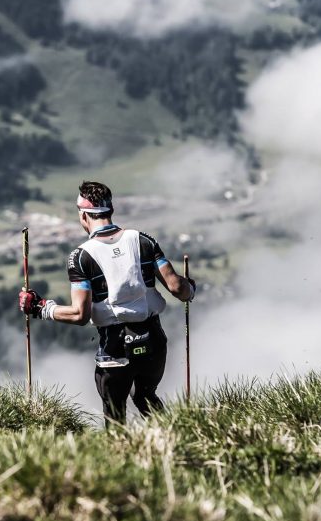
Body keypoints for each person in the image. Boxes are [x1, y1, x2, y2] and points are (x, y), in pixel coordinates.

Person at [19, 181, 196, 426]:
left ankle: (121, 457)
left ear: (83, 215)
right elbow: (178, 288)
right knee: (146, 397)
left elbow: (80, 314)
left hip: (115, 347)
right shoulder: (143, 240)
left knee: (114, 416)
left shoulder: (81, 256)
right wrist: (191, 289)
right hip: (153, 339)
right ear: (110, 210)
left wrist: (41, 308)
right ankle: (175, 441)